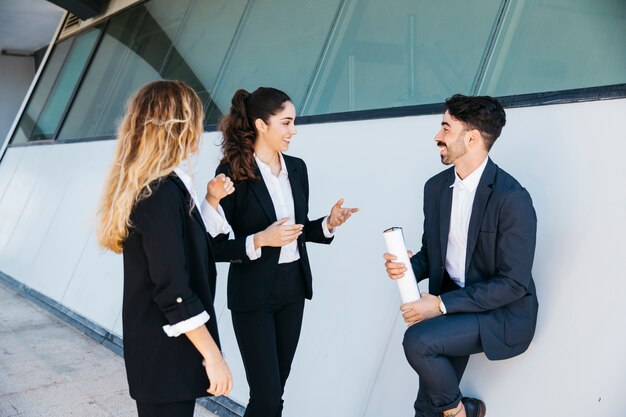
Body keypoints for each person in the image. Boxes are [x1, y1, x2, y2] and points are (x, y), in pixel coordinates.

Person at [383, 94, 538, 417]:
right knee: (426, 405)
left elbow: (512, 284)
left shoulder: (512, 199)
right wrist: (407, 267)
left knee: (418, 342)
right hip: (456, 303)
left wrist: (438, 305)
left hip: (501, 313)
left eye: (445, 128)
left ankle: (459, 412)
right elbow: (433, 254)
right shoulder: (435, 188)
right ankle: (454, 410)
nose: (437, 137)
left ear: (472, 138)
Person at [207, 87, 358, 417]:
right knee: (268, 396)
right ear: (262, 125)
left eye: (294, 122)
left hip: (293, 289)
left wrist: (328, 224)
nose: (294, 130)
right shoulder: (231, 171)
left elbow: (298, 231)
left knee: (275, 390)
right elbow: (214, 248)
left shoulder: (298, 168)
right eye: (286, 123)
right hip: (253, 295)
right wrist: (259, 239)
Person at [97, 80, 235, 417]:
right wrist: (213, 357)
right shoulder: (159, 191)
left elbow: (185, 249)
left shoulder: (161, 185)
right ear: (180, 126)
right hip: (164, 357)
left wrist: (211, 201)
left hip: (164, 355)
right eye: (196, 121)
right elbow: (172, 289)